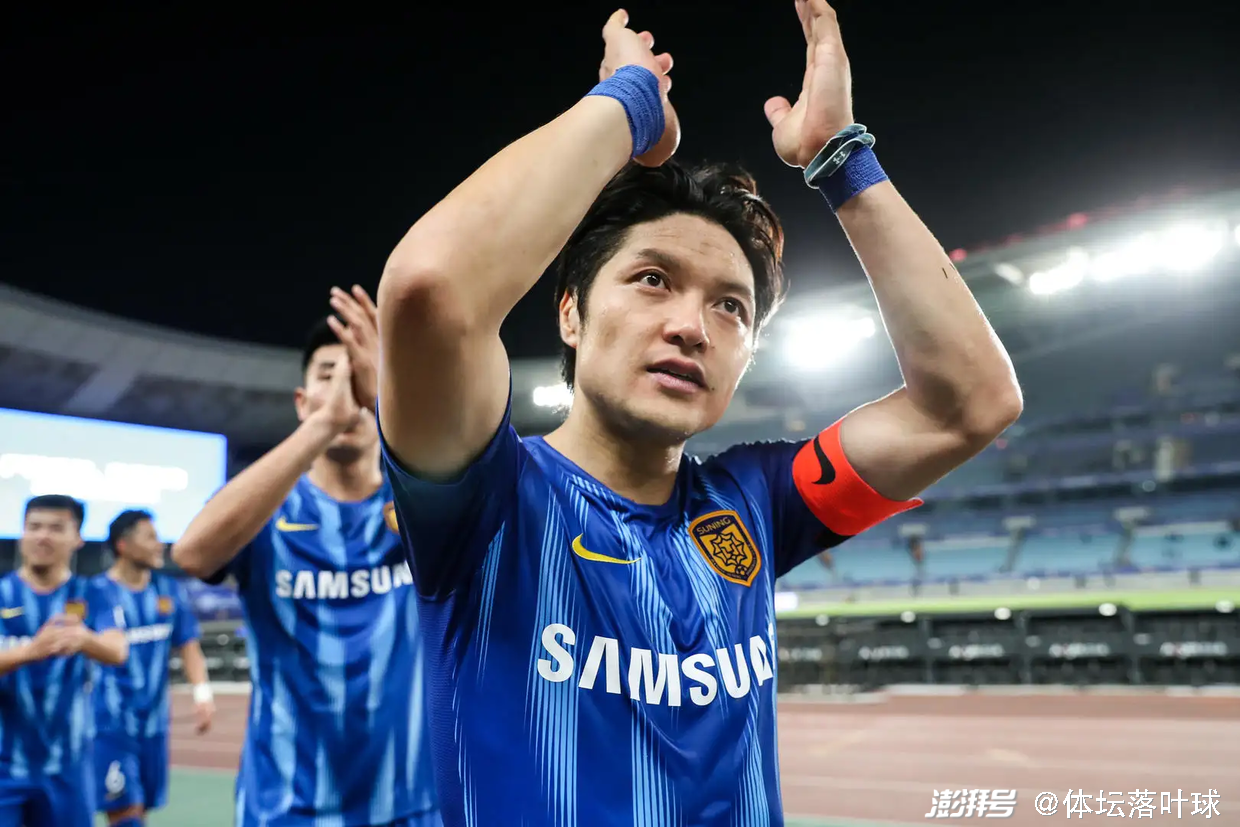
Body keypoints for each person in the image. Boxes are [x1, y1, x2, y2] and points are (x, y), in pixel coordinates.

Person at [374, 2, 1022, 824]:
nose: (692, 325)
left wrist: (842, 161)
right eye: (652, 279)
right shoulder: (483, 496)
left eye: (731, 307)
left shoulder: (757, 500)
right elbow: (431, 291)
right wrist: (631, 99)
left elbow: (971, 404)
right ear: (570, 313)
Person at [172, 288, 439, 827]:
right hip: (286, 806)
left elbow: (488, 501)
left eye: (359, 370)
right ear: (301, 400)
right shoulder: (264, 506)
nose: (346, 386)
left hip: (412, 803)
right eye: (327, 374)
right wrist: (324, 423)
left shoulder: (422, 501)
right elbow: (192, 554)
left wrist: (391, 399)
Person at [0, 495, 129, 827]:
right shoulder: (3, 594)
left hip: (69, 767)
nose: (43, 536)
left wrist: (84, 639)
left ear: (77, 538)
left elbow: (117, 650)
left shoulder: (94, 594)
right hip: (4, 766)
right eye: (34, 527)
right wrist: (31, 651)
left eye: (56, 528)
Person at [93, 508, 215, 826]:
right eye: (150, 537)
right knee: (125, 813)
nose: (160, 544)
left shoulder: (168, 590)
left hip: (156, 723)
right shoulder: (96, 593)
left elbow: (188, 645)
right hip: (111, 724)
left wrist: (202, 695)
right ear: (123, 545)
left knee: (141, 809)